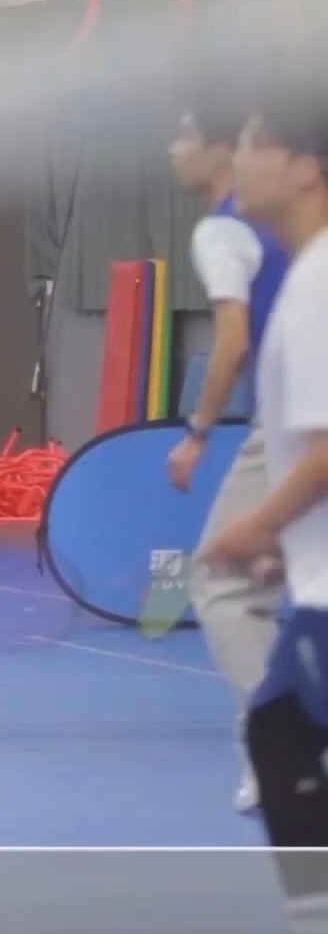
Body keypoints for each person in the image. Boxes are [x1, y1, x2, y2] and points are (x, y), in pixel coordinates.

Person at [202, 82, 328, 929]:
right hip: (313, 579)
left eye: (251, 144)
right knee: (279, 726)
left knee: (280, 729)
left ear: (305, 167)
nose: (235, 159)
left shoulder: (317, 287)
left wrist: (256, 524)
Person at [164, 89, 291, 814]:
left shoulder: (223, 229)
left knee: (220, 581)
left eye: (185, 134)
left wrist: (198, 431)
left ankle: (281, 746)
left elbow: (233, 341)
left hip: (296, 421)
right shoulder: (293, 224)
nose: (173, 149)